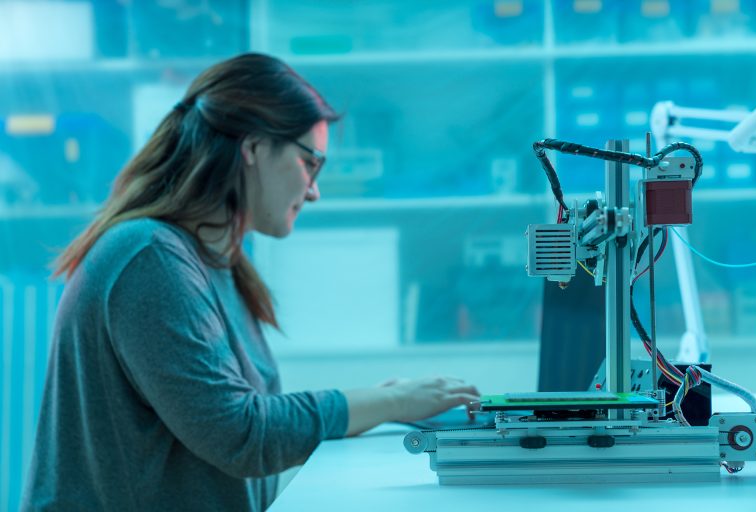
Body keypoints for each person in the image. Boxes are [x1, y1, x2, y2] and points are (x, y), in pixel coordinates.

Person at [21, 53, 480, 511]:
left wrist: (381, 402)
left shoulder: (212, 261)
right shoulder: (150, 258)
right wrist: (393, 401)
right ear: (255, 148)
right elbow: (242, 435)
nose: (314, 191)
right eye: (310, 163)